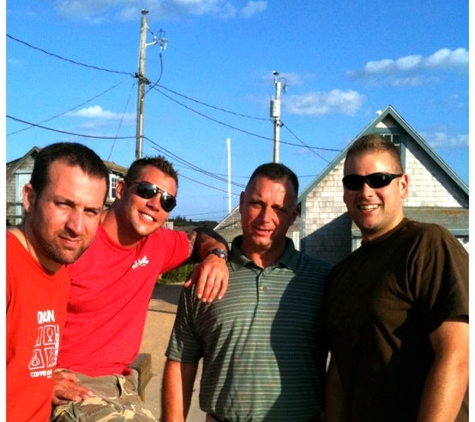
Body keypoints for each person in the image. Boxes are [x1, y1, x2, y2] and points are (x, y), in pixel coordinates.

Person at [51, 156, 230, 422]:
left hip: (122, 387)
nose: (156, 204)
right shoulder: (75, 241)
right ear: (121, 189)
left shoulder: (158, 244)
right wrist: (33, 379)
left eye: (167, 201)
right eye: (147, 191)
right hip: (74, 385)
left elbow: (201, 236)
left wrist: (217, 255)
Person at [162, 162, 333, 422]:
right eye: (257, 203)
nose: (265, 218)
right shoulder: (204, 277)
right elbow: (181, 362)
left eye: (278, 208)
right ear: (241, 202)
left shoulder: (323, 279)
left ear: (294, 214)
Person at [324, 134, 469, 422]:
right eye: (353, 182)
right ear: (344, 193)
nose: (365, 191)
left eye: (379, 179)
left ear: (402, 185)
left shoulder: (428, 245)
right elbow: (339, 371)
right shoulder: (341, 274)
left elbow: (457, 357)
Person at [7, 142, 110, 422]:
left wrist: (42, 381)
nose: (77, 226)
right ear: (29, 198)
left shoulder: (58, 272)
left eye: (90, 211)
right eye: (64, 204)